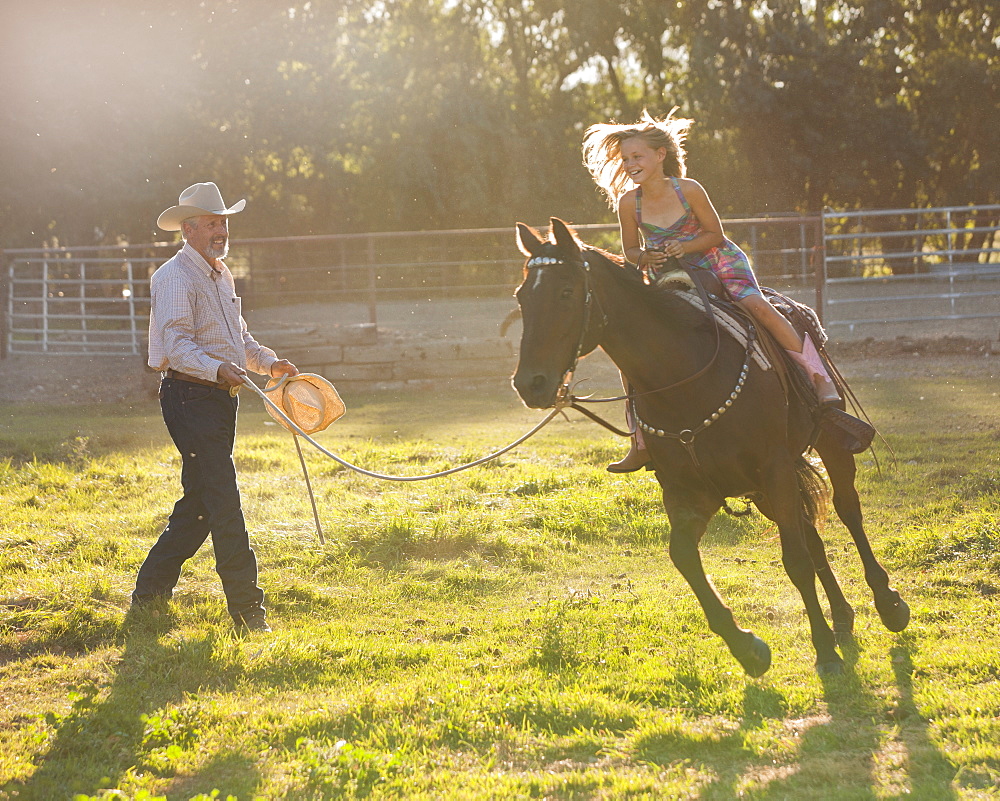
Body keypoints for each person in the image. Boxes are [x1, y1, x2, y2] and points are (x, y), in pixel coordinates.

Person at [582, 110, 840, 472]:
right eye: (625, 158)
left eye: (636, 156)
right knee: (637, 342)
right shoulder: (629, 203)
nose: (629, 163)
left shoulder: (688, 190)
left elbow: (714, 234)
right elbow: (630, 251)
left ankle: (818, 377)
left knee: (758, 307)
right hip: (669, 272)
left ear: (660, 156)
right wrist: (648, 255)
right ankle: (640, 438)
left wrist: (683, 248)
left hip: (717, 260)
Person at [132, 182, 298, 632]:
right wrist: (219, 369)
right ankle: (248, 611)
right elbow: (177, 346)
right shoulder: (173, 277)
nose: (220, 230)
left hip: (216, 398)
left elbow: (237, 338)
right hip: (189, 396)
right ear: (188, 230)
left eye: (222, 221)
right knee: (223, 499)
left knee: (201, 503)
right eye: (211, 223)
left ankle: (149, 592)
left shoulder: (220, 274)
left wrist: (267, 363)